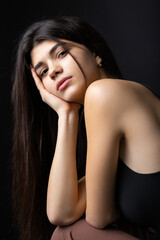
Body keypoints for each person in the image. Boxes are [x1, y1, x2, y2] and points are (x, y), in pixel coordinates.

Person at [11, 16, 160, 240]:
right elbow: (61, 212)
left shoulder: (104, 94)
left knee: (68, 235)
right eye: (43, 72)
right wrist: (67, 115)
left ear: (95, 52)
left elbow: (99, 218)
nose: (52, 71)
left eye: (61, 53)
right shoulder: (110, 116)